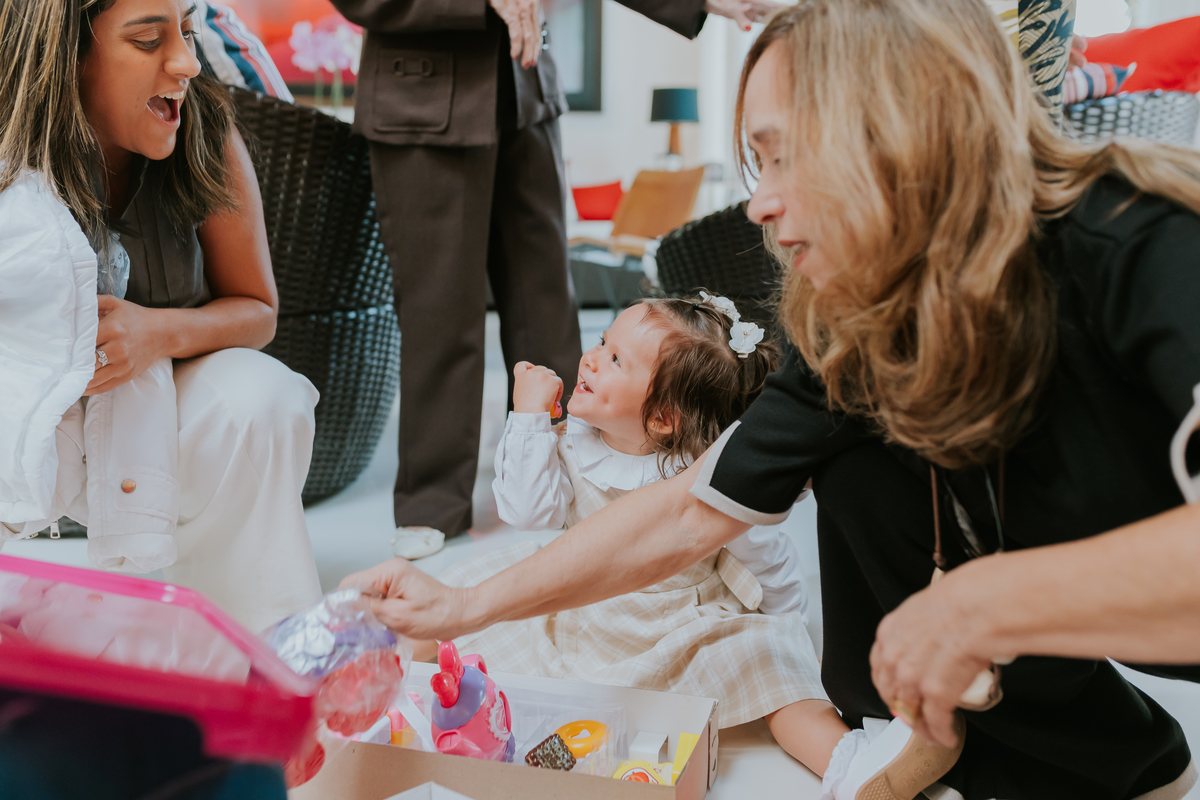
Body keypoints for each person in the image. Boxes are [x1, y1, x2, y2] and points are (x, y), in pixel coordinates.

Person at [342, 0, 1200, 797]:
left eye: (784, 154)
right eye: (760, 161)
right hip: (1086, 635)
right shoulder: (861, 323)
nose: (760, 200)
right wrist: (464, 607)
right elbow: (689, 512)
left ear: (898, 130)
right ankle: (1079, 757)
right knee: (863, 456)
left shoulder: (1145, 245)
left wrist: (986, 601)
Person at [327, 0, 782, 560]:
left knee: (547, 304)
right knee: (439, 309)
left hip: (525, 92)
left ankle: (582, 483)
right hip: (421, 98)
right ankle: (431, 503)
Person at [0, 0, 322, 634]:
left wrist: (154, 333)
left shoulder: (204, 131)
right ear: (67, 55)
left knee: (265, 400)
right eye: (149, 41)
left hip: (163, 405)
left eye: (186, 32)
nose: (186, 63)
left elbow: (257, 310)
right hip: (25, 415)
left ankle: (257, 645)